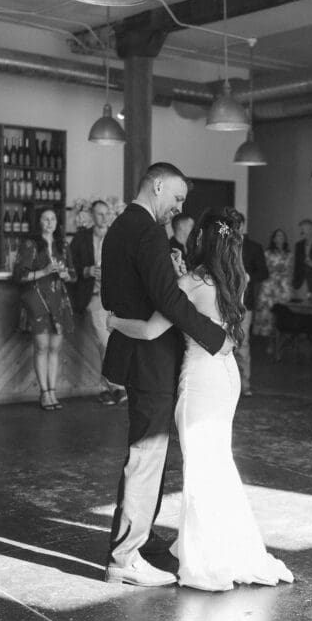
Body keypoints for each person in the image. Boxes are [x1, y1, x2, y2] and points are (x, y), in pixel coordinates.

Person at [107, 207, 293, 592]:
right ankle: (225, 542)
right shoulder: (235, 278)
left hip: (200, 381)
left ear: (202, 240)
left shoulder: (191, 281)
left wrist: (112, 321)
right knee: (218, 460)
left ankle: (208, 554)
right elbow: (208, 309)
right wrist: (180, 275)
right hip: (227, 377)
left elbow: (148, 329)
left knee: (201, 466)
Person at [101, 162, 231, 589]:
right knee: (147, 453)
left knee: (147, 450)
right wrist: (216, 337)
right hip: (151, 358)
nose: (178, 209)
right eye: (176, 198)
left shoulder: (120, 227)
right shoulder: (149, 232)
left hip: (135, 355)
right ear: (157, 185)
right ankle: (125, 555)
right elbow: (170, 300)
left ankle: (141, 535)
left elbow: (114, 296)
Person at [13, 208, 76, 410]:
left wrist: (66, 274)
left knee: (55, 348)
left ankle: (53, 391)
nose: (49, 222)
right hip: (37, 299)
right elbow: (19, 276)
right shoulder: (30, 244)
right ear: (38, 222)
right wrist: (45, 271)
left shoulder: (63, 245)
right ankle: (44, 393)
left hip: (59, 299)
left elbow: (73, 274)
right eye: (45, 219)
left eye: (53, 218)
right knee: (41, 347)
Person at [70, 199, 125, 406]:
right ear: (91, 216)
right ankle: (116, 387)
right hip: (93, 297)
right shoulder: (81, 238)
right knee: (105, 342)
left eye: (106, 214)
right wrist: (86, 270)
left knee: (114, 343)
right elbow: (69, 265)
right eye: (99, 214)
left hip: (117, 298)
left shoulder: (118, 237)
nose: (103, 217)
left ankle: (109, 388)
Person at [232, 208, 268, 397]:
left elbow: (264, 272)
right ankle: (228, 384)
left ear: (243, 226)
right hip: (225, 301)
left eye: (238, 224)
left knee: (243, 343)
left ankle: (244, 384)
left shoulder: (254, 247)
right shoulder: (225, 245)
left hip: (246, 302)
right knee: (225, 343)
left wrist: (248, 276)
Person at [253, 228, 293, 338]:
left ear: (285, 239)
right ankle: (267, 340)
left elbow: (289, 271)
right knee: (267, 313)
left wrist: (288, 286)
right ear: (274, 239)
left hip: (283, 287)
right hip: (269, 286)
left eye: (282, 236)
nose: (280, 238)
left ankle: (279, 339)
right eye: (277, 236)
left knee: (282, 315)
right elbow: (263, 269)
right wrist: (275, 269)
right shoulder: (267, 253)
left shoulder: (289, 254)